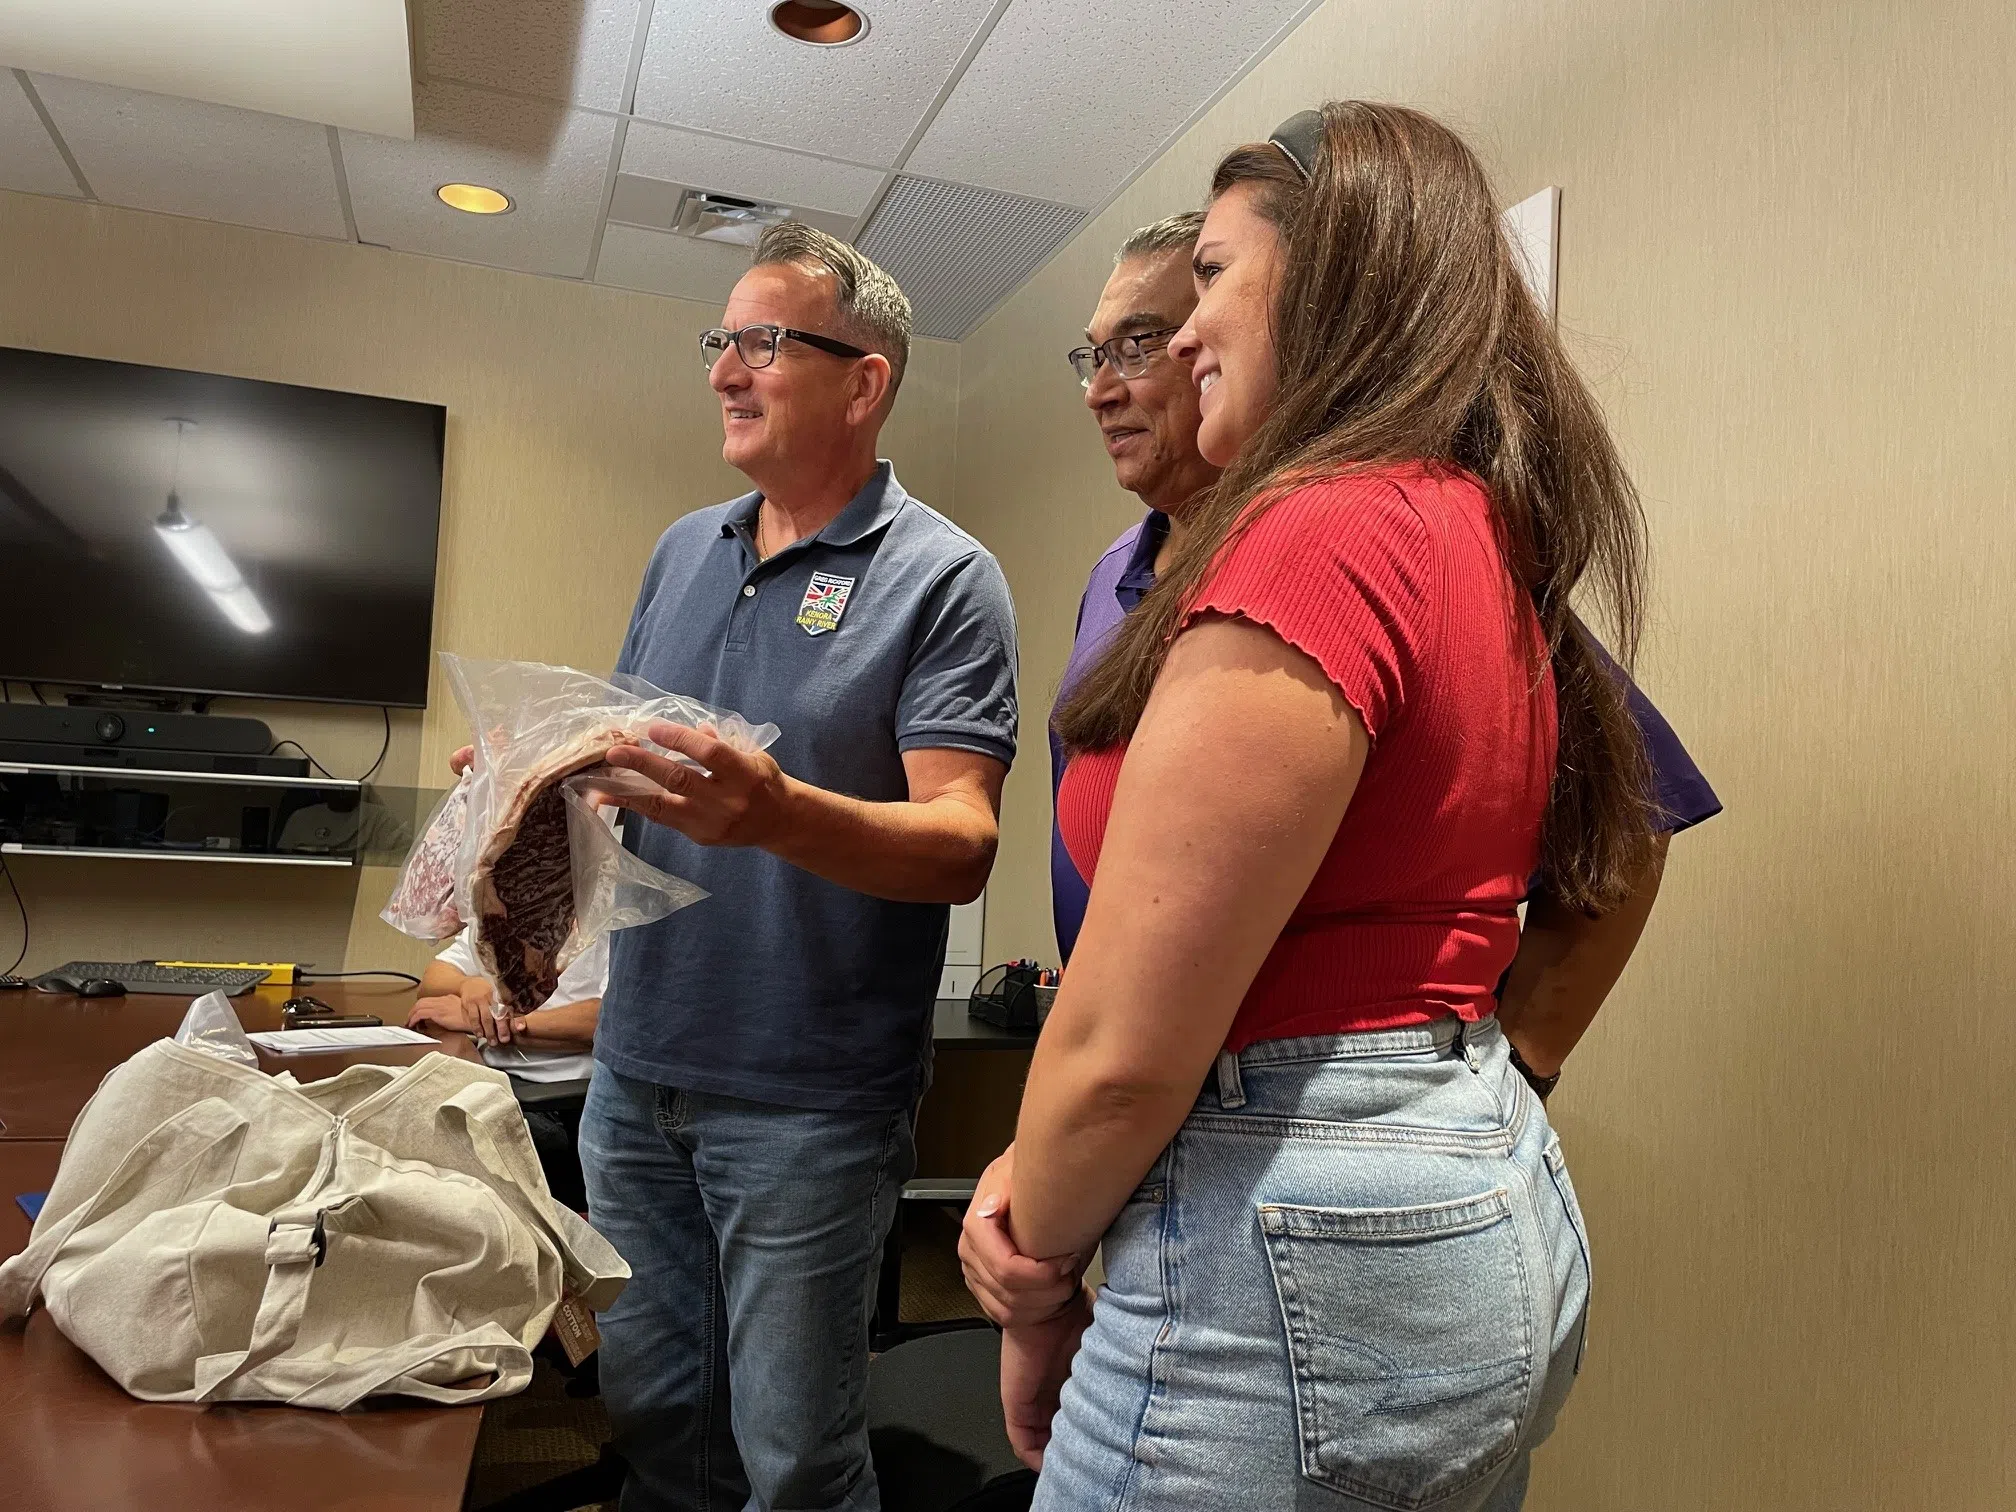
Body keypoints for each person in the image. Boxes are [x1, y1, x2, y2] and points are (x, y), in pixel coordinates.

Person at [962, 102, 1655, 1509]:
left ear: (1331, 278)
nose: (1185, 338)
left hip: (1281, 1221)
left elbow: (1125, 1060)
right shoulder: (1475, 524)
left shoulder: (1315, 534)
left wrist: (1030, 1272)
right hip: (1476, 1177)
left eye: (1212, 278)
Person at [1050, 211, 1719, 1099]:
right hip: (1123, 1093)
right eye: (1094, 355)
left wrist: (1522, 1062)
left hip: (1299, 1109)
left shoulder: (1384, 551)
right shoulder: (1110, 577)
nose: (1102, 390)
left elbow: (1634, 808)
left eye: (1138, 345)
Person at [563, 224, 1017, 1512]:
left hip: (806, 1103)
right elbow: (636, 771)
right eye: (723, 341)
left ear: (865, 382)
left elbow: (962, 841)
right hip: (636, 1075)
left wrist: (776, 814)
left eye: (762, 343)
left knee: (795, 1457)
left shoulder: (944, 577)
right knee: (658, 1423)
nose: (724, 371)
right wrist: (543, 786)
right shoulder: (684, 549)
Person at [408, 928, 603, 1210]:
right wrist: (468, 986)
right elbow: (434, 978)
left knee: (422, 1156)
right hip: (494, 1079)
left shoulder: (616, 923)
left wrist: (492, 1021)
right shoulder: (515, 916)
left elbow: (608, 1021)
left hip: (559, 1102)